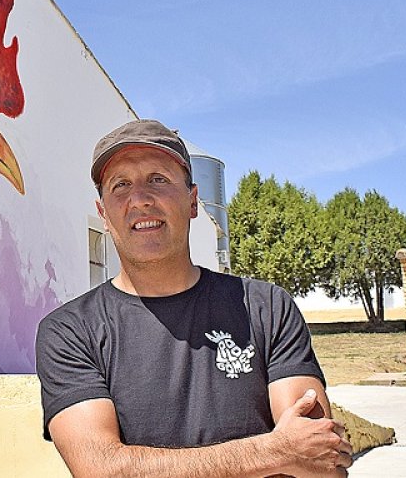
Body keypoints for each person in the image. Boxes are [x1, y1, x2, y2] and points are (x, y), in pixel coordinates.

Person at [35, 119, 352, 477]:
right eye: (120, 185)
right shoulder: (70, 332)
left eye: (158, 179)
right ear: (104, 213)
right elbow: (102, 470)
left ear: (193, 201)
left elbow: (321, 462)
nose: (140, 199)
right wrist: (274, 451)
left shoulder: (266, 308)